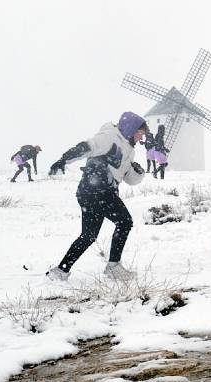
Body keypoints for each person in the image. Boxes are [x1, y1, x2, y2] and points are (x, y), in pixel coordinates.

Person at [45, 112, 148, 281]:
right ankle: (113, 267)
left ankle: (60, 271)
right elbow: (87, 147)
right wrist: (64, 159)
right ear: (131, 128)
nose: (141, 136)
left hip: (91, 192)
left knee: (89, 236)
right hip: (98, 189)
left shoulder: (128, 150)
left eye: (143, 134)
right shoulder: (110, 136)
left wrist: (139, 173)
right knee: (124, 222)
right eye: (140, 132)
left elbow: (129, 178)